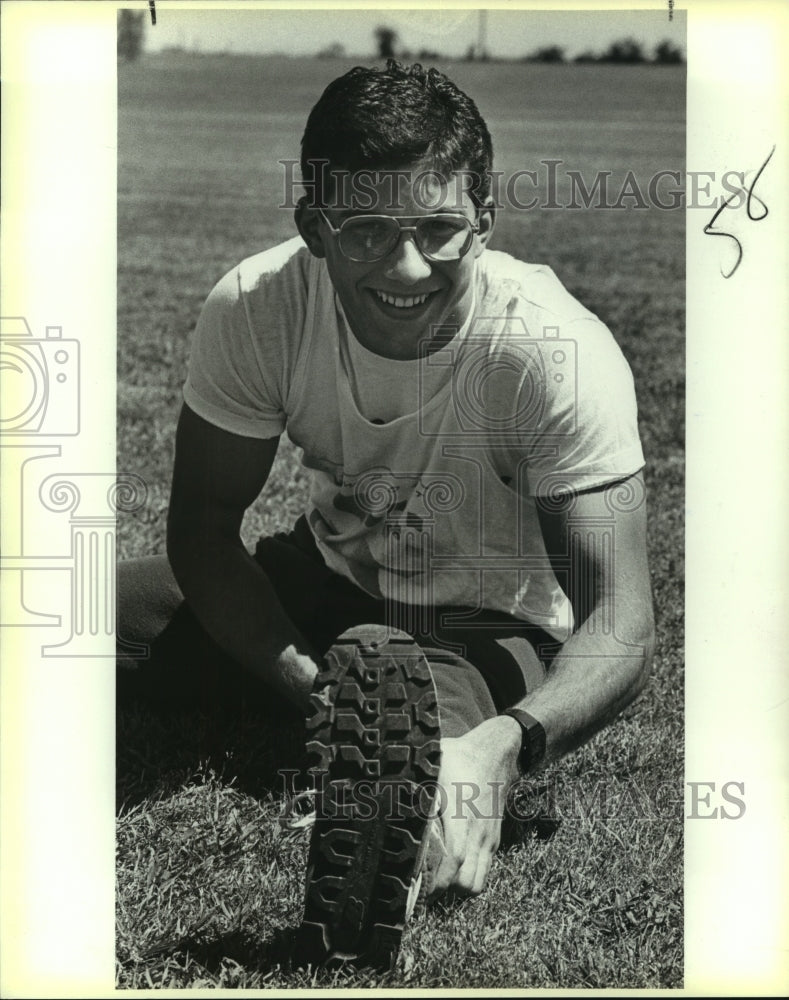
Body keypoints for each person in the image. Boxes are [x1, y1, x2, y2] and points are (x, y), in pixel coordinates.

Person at [118, 60, 654, 970]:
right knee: (57, 614)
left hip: (481, 625)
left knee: (431, 773)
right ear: (313, 228)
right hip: (322, 578)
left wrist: (502, 747)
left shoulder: (552, 353)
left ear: (484, 223)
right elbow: (204, 528)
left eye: (439, 230)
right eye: (364, 231)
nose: (406, 267)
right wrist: (302, 678)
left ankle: (387, 851)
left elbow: (621, 623)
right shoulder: (257, 307)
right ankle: (363, 746)